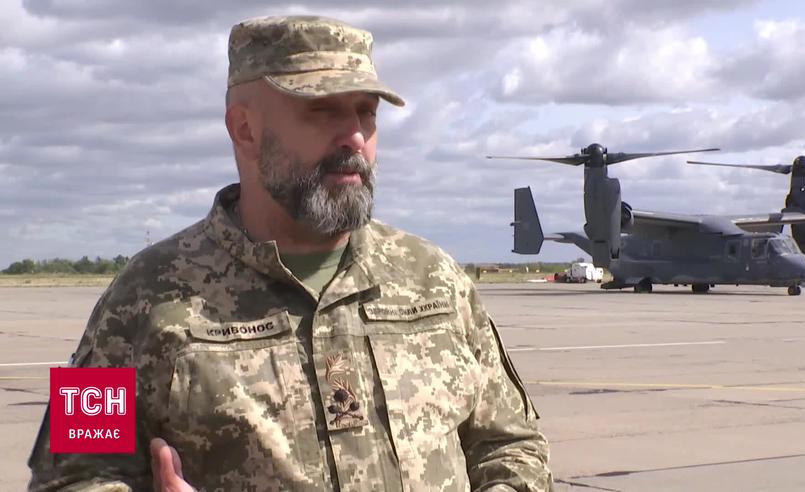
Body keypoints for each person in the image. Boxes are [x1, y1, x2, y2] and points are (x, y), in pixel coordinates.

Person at [27, 15, 552, 491]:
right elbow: (69, 477)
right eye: (322, 111)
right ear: (245, 128)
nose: (355, 137)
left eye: (366, 113)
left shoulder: (435, 279)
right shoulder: (141, 297)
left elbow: (513, 446)